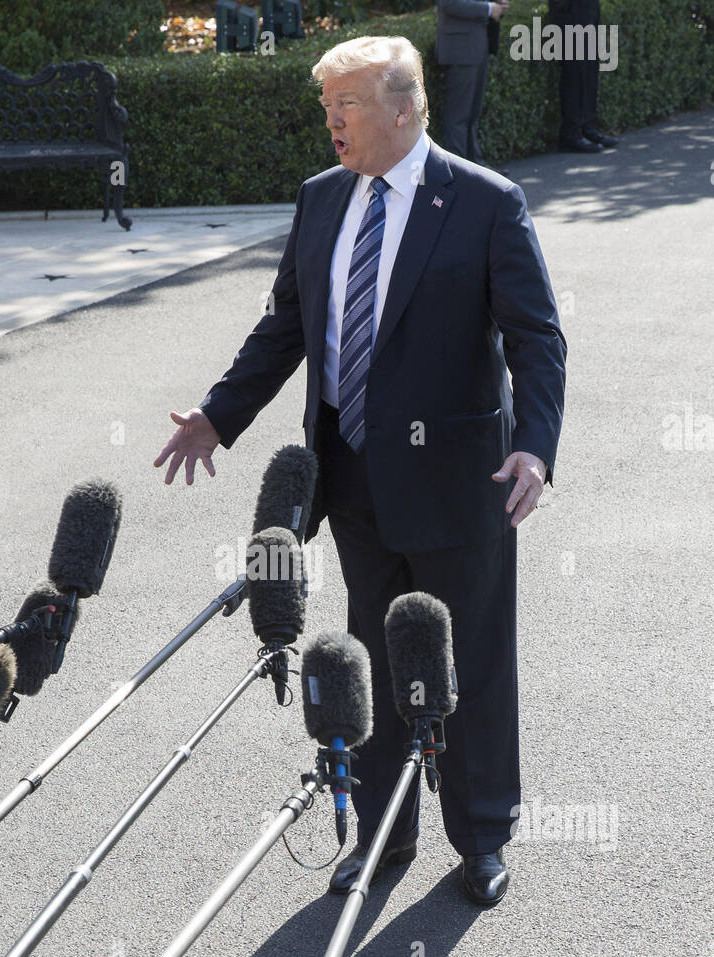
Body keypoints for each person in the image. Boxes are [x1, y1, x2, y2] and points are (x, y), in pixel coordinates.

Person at [154, 35, 566, 909]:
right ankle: (384, 835)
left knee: (472, 662)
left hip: (463, 483)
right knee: (371, 660)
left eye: (345, 104)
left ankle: (482, 834)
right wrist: (217, 417)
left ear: (405, 107)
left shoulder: (486, 204)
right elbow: (285, 329)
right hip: (355, 478)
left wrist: (533, 444)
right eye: (325, 106)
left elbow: (537, 339)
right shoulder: (319, 202)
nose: (331, 121)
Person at [435, 0, 507, 165]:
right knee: (458, 115)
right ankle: (458, 170)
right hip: (460, 49)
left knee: (472, 113)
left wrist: (495, 4)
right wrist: (488, 9)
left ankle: (475, 167)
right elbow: (448, 4)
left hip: (476, 46)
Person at [551, 0, 619, 152]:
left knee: (589, 67)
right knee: (575, 70)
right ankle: (571, 133)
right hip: (569, 7)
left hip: (587, 6)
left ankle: (587, 127)